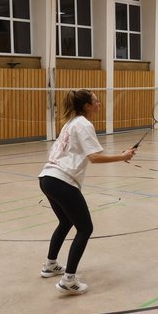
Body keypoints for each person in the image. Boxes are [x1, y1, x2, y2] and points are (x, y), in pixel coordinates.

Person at [38, 89, 136, 295]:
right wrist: (122, 156)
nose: (99, 103)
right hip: (62, 180)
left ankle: (50, 265)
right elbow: (94, 157)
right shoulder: (83, 124)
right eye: (96, 101)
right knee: (85, 228)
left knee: (66, 222)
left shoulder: (71, 123)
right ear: (87, 106)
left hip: (47, 178)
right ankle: (69, 280)